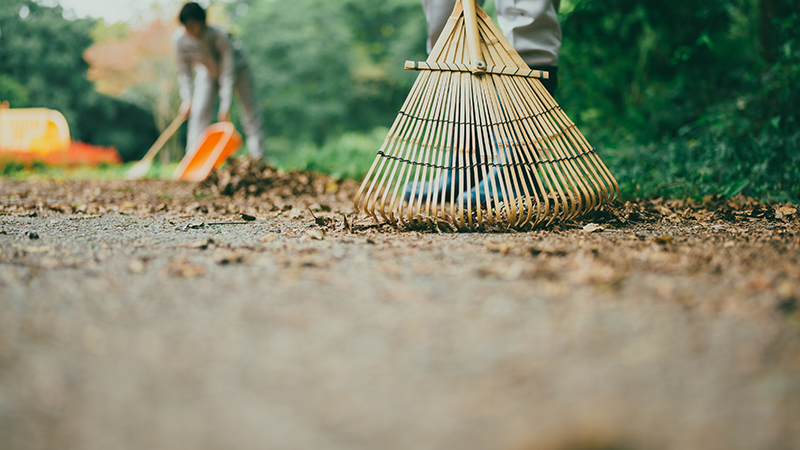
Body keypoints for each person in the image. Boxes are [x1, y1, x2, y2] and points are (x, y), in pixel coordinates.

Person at [173, 2, 264, 158]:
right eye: (186, 26)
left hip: (238, 71)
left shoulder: (220, 36)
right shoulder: (179, 40)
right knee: (198, 112)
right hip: (207, 73)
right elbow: (185, 72)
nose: (190, 31)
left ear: (203, 22)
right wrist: (187, 99)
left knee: (250, 113)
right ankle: (193, 160)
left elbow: (228, 72)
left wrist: (225, 105)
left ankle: (259, 157)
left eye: (193, 25)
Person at [422, 0, 560, 95]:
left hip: (529, 70)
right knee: (447, 17)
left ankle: (527, 84)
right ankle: (460, 92)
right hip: (457, 71)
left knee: (527, 13)